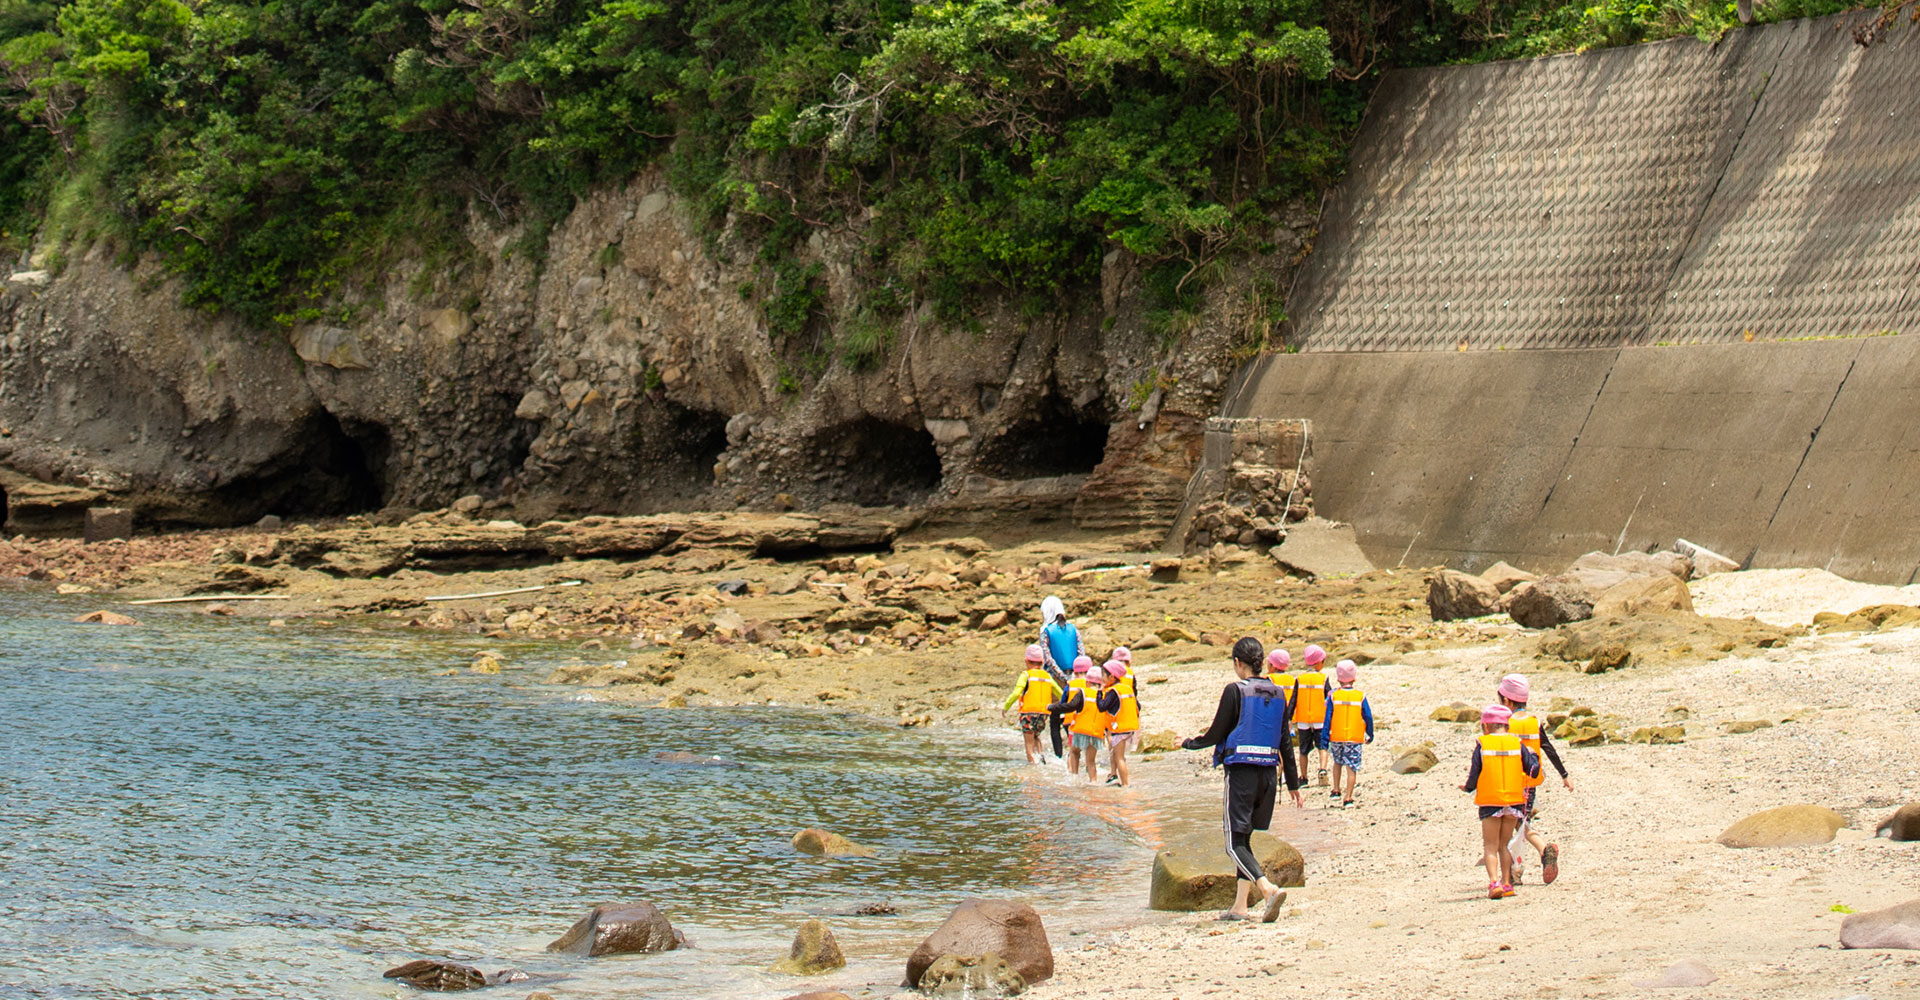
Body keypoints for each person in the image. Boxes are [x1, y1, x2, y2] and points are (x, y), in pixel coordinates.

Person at [1182, 636, 1305, 922]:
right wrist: (1294, 784)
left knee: (1233, 844)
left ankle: (1266, 889)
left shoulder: (1234, 691)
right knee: (1245, 839)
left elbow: (1215, 733)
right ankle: (1239, 905)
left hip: (1241, 775)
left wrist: (1188, 742)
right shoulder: (1277, 692)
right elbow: (1285, 742)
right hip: (1269, 778)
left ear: (1238, 663)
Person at [1497, 673, 1571, 884]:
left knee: (1515, 825)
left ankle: (1538, 853)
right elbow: (1548, 748)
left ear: (1508, 701)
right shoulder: (1534, 723)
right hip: (1530, 784)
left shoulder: (1504, 724)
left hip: (1510, 783)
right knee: (1520, 823)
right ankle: (1516, 869)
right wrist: (1564, 775)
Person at [1460, 704, 1539, 899]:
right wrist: (1534, 757)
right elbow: (1533, 769)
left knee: (1490, 846)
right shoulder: (1517, 744)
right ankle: (1506, 883)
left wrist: (1468, 788)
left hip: (1490, 801)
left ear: (1486, 726)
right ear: (1507, 726)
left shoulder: (1483, 745)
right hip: (1513, 801)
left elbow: (1475, 773)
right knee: (1505, 845)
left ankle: (1493, 883)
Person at [1320, 659, 1374, 807]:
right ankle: (1348, 797)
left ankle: (1336, 789)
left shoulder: (1334, 696)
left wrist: (1324, 738)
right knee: (1351, 767)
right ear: (1354, 677)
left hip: (1336, 735)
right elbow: (1368, 717)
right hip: (1354, 737)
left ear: (1338, 678)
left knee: (1337, 762)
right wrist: (1370, 733)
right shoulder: (1360, 696)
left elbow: (1328, 718)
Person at [1037, 595, 1082, 761]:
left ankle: (1058, 757)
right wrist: (1076, 675)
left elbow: (1047, 657)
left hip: (1055, 679)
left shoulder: (1046, 631)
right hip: (1075, 677)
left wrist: (1061, 676)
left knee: (1055, 717)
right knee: (1071, 714)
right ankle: (1075, 752)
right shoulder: (1073, 629)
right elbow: (1081, 653)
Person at [1000, 644, 1062, 765]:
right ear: (1042, 661)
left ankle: (1033, 767)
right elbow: (1060, 693)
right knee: (1036, 737)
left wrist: (1006, 706)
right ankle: (1041, 760)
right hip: (1043, 713)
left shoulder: (1026, 675)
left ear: (1026, 661)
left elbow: (1016, 692)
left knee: (1028, 742)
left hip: (1028, 713)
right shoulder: (1047, 676)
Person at [1061, 663, 1111, 783]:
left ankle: (1074, 778)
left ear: (1087, 682)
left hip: (1080, 731)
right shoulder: (1105, 696)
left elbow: (1071, 706)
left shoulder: (1082, 693)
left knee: (1074, 752)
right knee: (1091, 762)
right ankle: (1093, 782)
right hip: (1096, 733)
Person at [1290, 645, 1332, 786]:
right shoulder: (1323, 678)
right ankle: (1322, 770)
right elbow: (1330, 697)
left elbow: (1293, 700)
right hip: (1320, 718)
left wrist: (1289, 717)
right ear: (1319, 662)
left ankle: (1303, 776)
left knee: (1303, 750)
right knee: (1322, 747)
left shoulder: (1300, 679)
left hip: (1303, 720)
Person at [1054, 656, 1097, 777]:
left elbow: (1063, 703)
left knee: (1073, 750)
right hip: (1089, 722)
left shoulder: (1070, 685)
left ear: (1075, 672)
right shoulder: (1092, 685)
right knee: (1089, 752)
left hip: (1071, 723)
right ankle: (1090, 774)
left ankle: (1072, 773)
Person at [1100, 660, 1142, 787]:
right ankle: (1113, 776)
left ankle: (1125, 785)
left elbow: (1102, 706)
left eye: (1103, 675)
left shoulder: (1113, 691)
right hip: (1130, 727)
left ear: (1111, 677)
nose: (1102, 678)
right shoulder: (1127, 688)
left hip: (1119, 729)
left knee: (1120, 758)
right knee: (1115, 753)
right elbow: (1137, 706)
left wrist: (1098, 693)